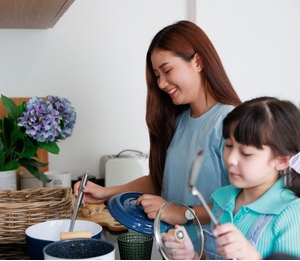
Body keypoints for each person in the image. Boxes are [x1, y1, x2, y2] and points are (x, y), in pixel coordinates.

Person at [74, 20, 241, 224]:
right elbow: (162, 181)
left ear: (197, 62)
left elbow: (244, 200)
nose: (161, 83)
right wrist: (106, 193)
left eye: (167, 70)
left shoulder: (230, 121)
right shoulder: (178, 122)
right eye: (157, 75)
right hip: (173, 249)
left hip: (213, 253)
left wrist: (183, 213)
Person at [162, 96, 300, 260]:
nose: (230, 159)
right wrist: (193, 257)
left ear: (282, 160)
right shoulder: (223, 200)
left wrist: (252, 258)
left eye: (246, 153)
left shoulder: (294, 214)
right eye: (229, 145)